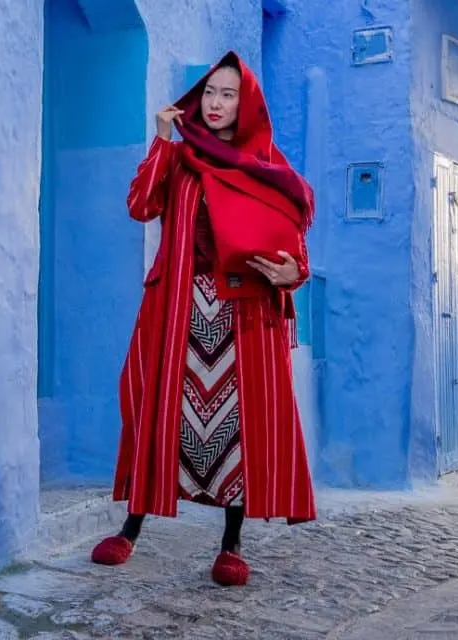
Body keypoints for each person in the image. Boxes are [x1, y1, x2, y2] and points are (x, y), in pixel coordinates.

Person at [90, 51, 317, 587]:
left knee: (239, 424)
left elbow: (294, 242)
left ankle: (232, 543)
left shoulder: (270, 168)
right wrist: (163, 140)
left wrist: (293, 274)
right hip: (176, 309)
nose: (215, 103)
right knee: (158, 412)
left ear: (248, 104)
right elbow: (140, 206)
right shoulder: (182, 157)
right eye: (210, 92)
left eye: (228, 94)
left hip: (244, 312)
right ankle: (131, 528)